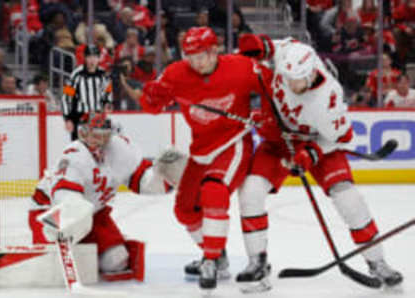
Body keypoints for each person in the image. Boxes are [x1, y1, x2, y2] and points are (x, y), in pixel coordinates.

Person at [235, 34, 403, 291]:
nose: (291, 85)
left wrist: (311, 154)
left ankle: (377, 262)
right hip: (277, 142)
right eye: (288, 78)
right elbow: (273, 48)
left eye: (298, 81)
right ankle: (257, 262)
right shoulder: (294, 55)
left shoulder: (328, 99)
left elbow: (341, 137)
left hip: (317, 144)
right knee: (250, 193)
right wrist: (260, 46)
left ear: (312, 73)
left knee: (349, 200)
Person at [134, 26, 273, 291]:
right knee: (185, 209)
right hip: (201, 150)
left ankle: (209, 259)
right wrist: (151, 99)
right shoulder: (176, 73)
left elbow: (274, 88)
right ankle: (218, 258)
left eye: (201, 55)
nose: (196, 62)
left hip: (234, 143)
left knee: (214, 190)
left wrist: (266, 114)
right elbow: (150, 106)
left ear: (214, 50)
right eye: (191, 57)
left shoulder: (242, 67)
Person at [28, 112, 175, 281]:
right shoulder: (74, 155)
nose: (96, 140)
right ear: (81, 133)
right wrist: (72, 219)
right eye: (90, 133)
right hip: (50, 213)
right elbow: (64, 197)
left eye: (102, 135)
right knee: (51, 269)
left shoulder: (118, 150)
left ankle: (86, 253)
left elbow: (141, 181)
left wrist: (165, 177)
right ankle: (73, 251)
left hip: (92, 213)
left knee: (116, 259)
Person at [62, 45, 113, 140]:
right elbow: (66, 97)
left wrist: (108, 103)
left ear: (99, 58)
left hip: (98, 117)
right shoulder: (76, 75)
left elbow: (108, 93)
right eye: (89, 57)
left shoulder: (103, 75)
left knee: (99, 148)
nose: (92, 60)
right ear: (85, 58)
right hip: (80, 117)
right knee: (80, 149)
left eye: (95, 57)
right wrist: (68, 118)